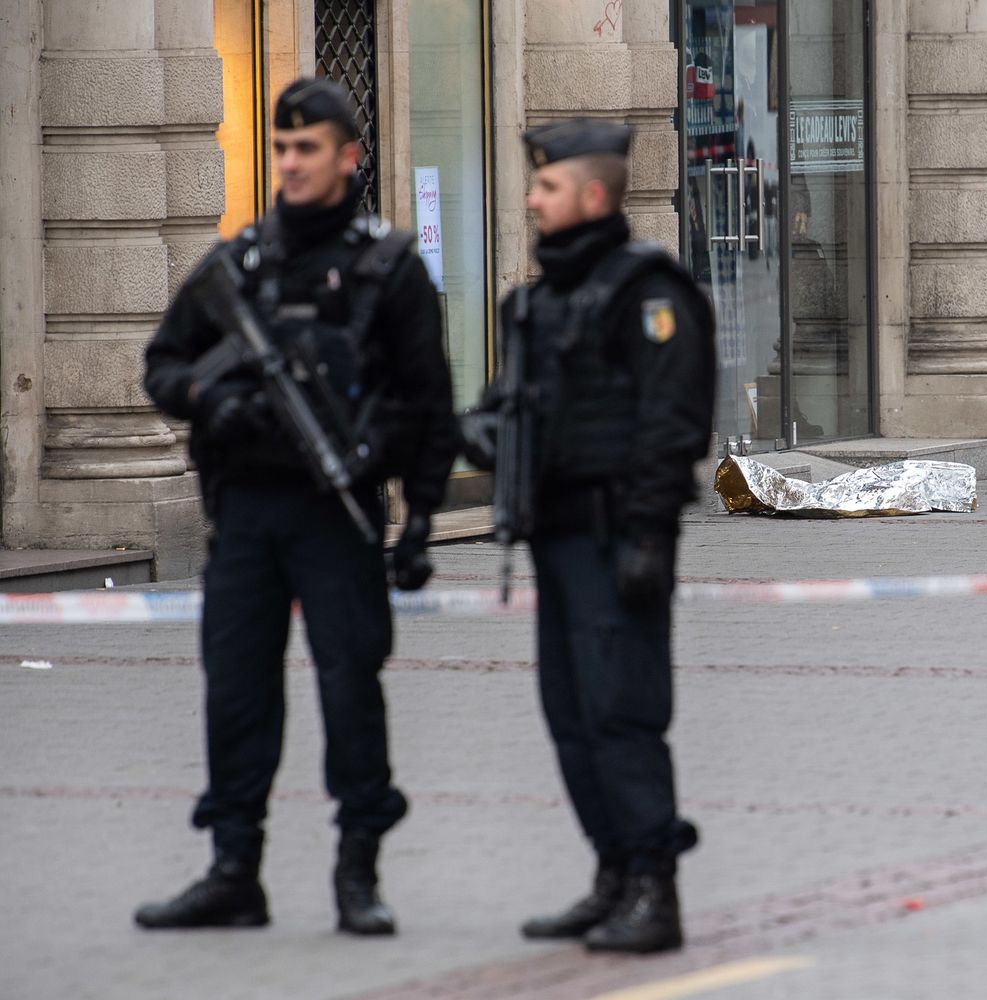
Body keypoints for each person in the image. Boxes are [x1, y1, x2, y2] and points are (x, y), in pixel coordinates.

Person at [135, 77, 457, 936]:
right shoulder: (239, 265)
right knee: (236, 693)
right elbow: (163, 365)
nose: (290, 163)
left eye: (306, 148)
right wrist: (215, 401)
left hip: (337, 514)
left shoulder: (387, 269)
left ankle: (359, 871)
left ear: (349, 157)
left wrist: (422, 518)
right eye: (280, 148)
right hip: (243, 515)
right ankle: (233, 869)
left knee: (351, 690)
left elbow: (429, 405)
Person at [460, 119, 715, 954]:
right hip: (556, 538)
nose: (530, 199)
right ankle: (613, 873)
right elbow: (507, 409)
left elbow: (670, 423)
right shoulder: (538, 301)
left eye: (546, 187)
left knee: (621, 712)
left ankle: (655, 888)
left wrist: (648, 536)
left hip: (619, 540)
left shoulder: (649, 292)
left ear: (593, 194)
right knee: (570, 715)